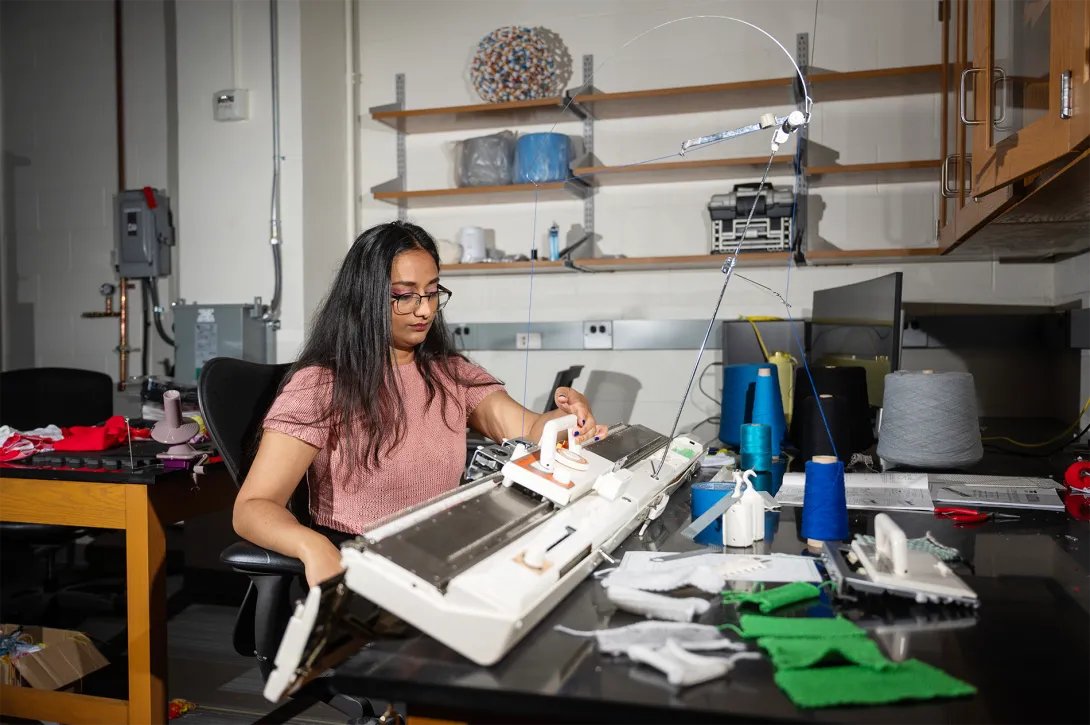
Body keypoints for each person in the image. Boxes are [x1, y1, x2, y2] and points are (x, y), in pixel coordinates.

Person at [233, 221, 608, 586]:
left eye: (431, 292)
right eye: (405, 295)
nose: (426, 310)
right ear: (367, 296)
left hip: (441, 552)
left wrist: (567, 419)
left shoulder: (449, 373)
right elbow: (254, 505)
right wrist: (310, 545)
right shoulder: (321, 385)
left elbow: (528, 430)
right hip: (365, 562)